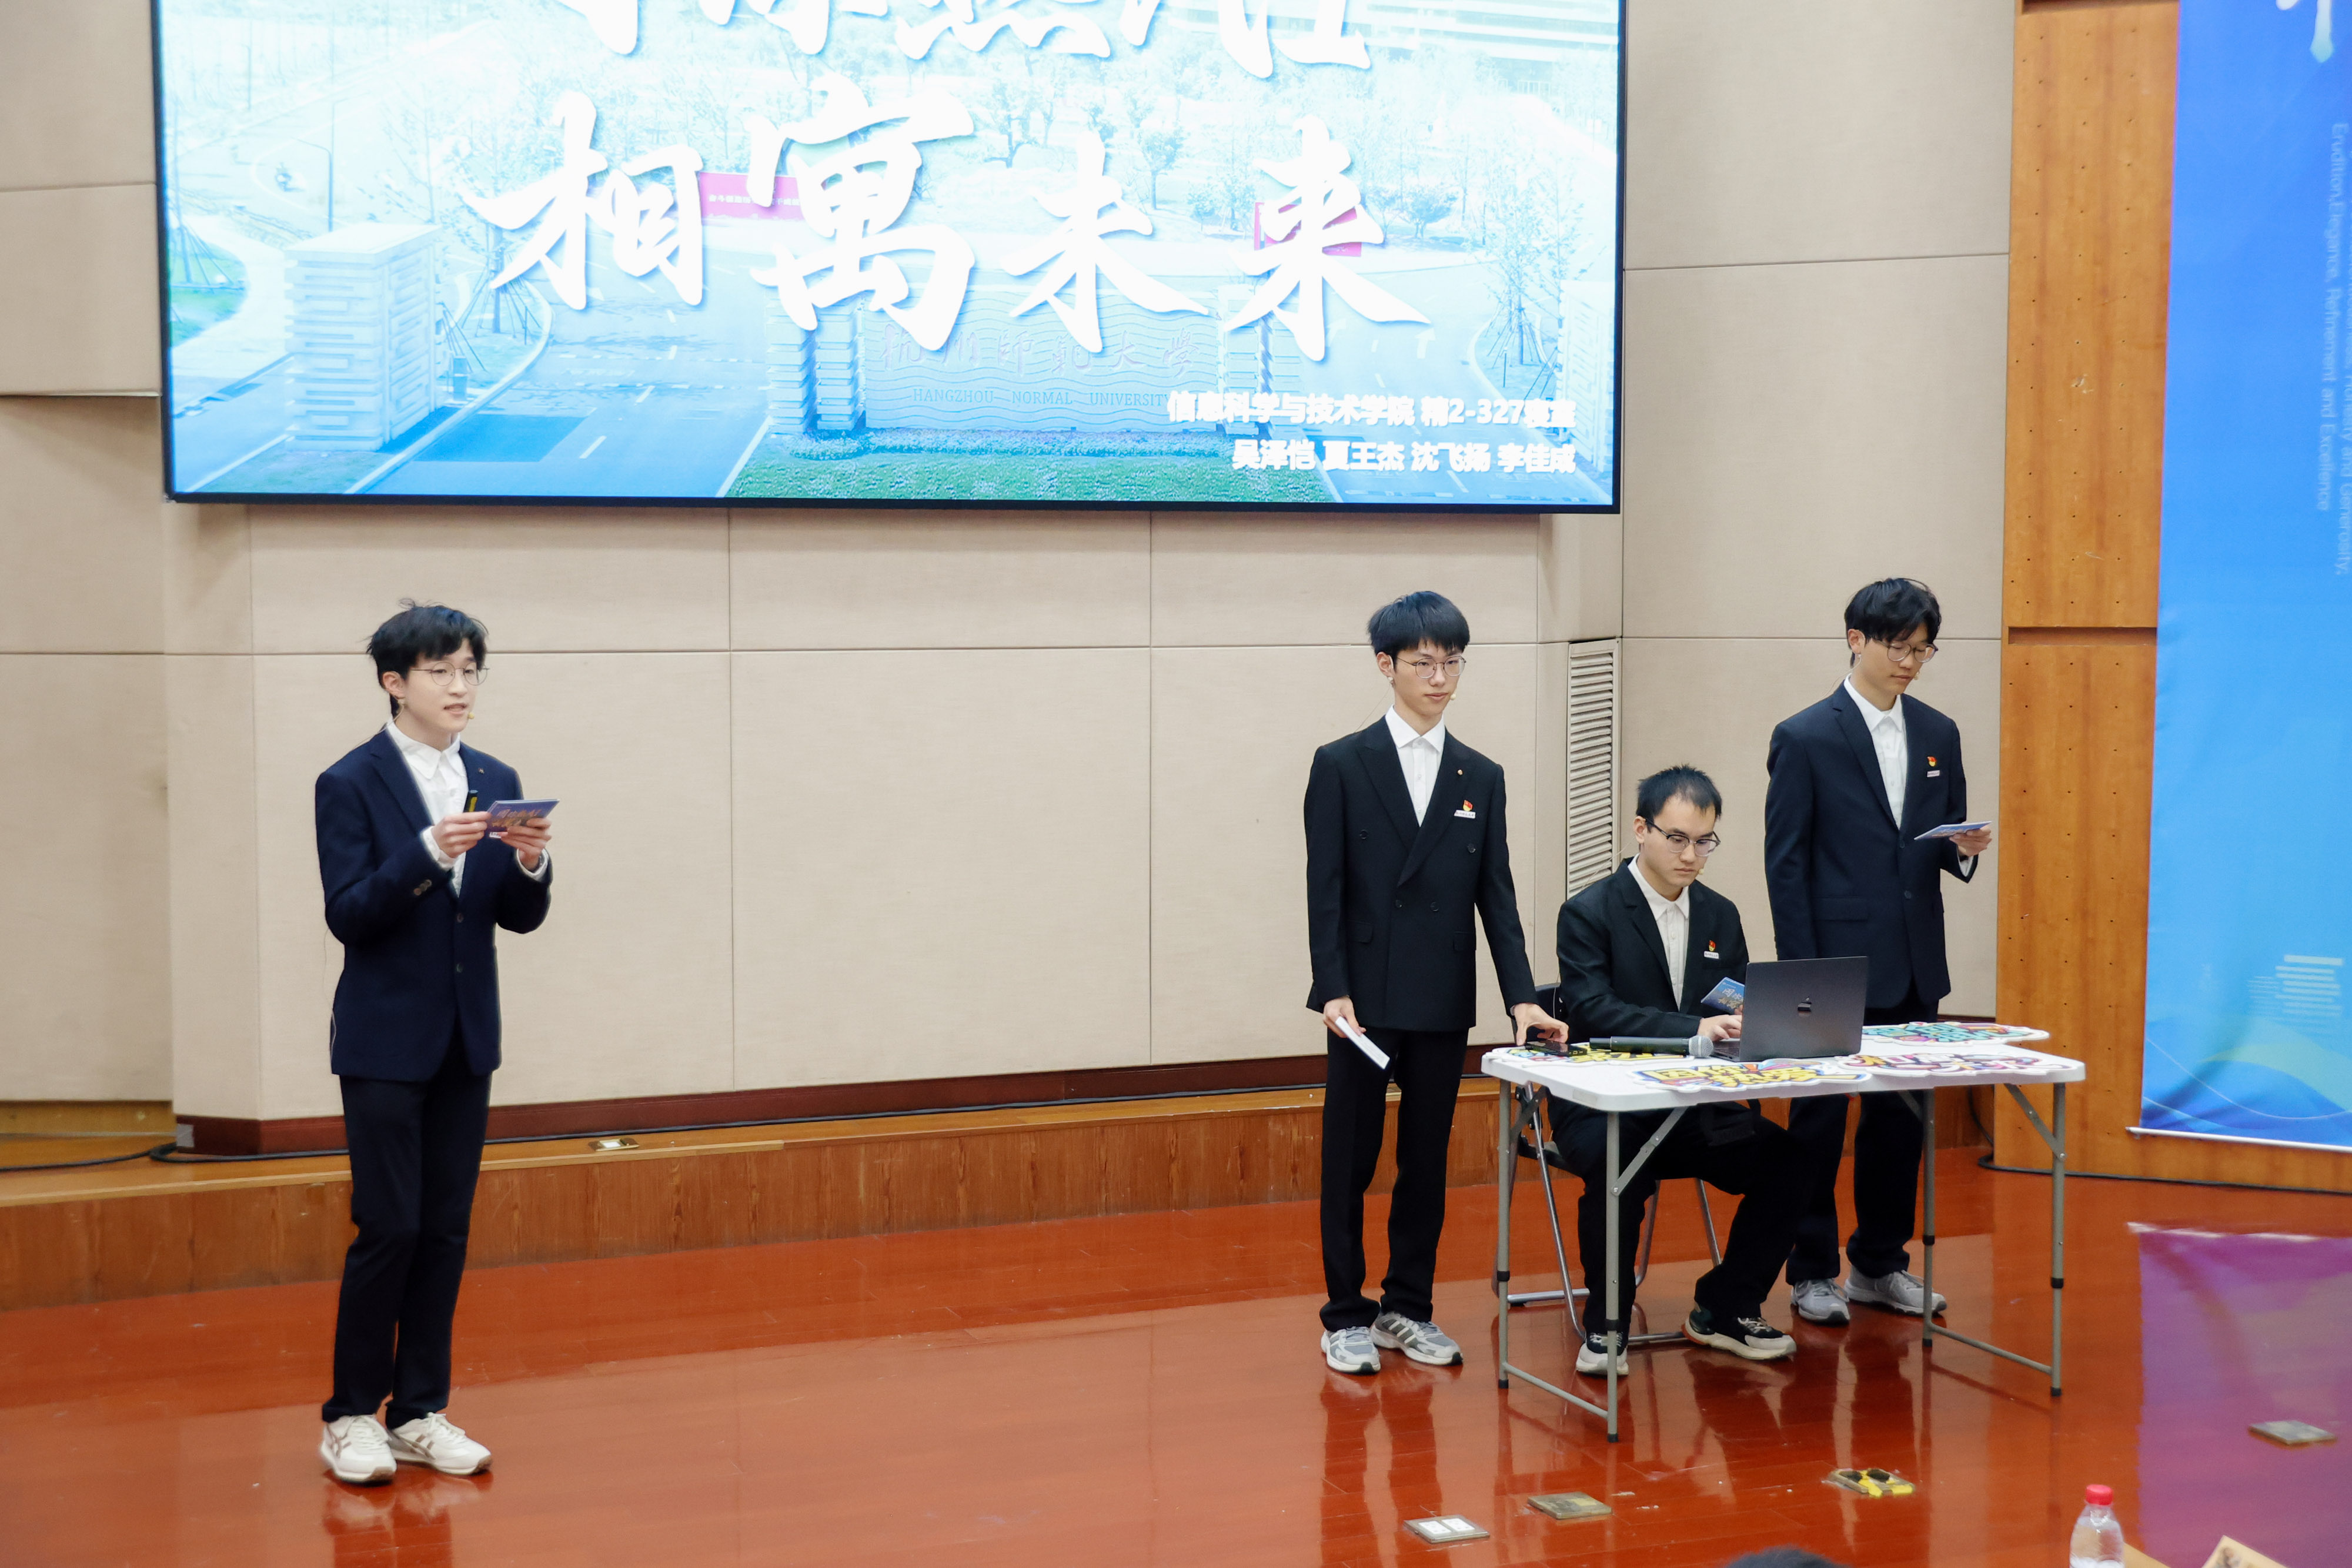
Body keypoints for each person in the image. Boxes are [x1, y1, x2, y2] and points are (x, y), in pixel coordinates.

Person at [315, 603, 554, 1486]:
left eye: (469, 670)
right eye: (440, 671)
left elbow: (518, 917)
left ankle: (419, 1409)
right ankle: (350, 1415)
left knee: (446, 1229)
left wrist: (529, 862)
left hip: (465, 1037)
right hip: (383, 1039)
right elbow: (349, 913)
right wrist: (425, 852)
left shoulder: (494, 776)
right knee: (391, 1225)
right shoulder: (349, 781)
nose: (460, 687)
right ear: (394, 682)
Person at [1304, 590, 1568, 1376]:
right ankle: (1344, 1315)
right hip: (1360, 1001)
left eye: (1452, 661)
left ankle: (1407, 1307)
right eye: (1423, 662)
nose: (1440, 676)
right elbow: (1325, 890)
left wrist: (1521, 995)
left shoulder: (1479, 774)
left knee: (1425, 1161)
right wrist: (1331, 987)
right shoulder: (1340, 763)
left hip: (1440, 996)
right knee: (1350, 1159)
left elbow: (1498, 897)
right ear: (1385, 666)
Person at [1762, 578, 1992, 1326]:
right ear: (1855, 639)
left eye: (1923, 650)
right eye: (1899, 647)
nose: (1910, 663)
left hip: (1913, 958)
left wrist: (1963, 851)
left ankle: (1879, 1263)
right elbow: (1785, 865)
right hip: (1830, 965)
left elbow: (1935, 844)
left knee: (1900, 1125)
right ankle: (1811, 1271)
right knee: (1818, 1125)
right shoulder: (1805, 736)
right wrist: (1803, 975)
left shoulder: (1938, 732)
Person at [1551, 765, 1809, 1373]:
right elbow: (1592, 1009)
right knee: (1619, 1167)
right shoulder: (1588, 911)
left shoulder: (1720, 914)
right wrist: (1693, 1029)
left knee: (1791, 1162)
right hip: (1603, 1103)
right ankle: (1607, 1324)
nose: (1691, 855)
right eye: (1677, 839)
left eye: (1704, 841)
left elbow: (1733, 1003)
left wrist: (1758, 1024)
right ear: (1640, 830)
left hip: (1695, 1105)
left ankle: (1726, 1304)